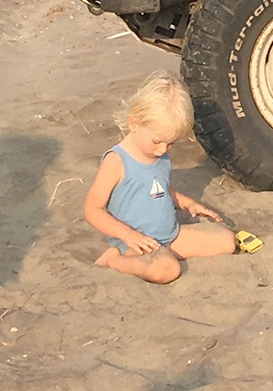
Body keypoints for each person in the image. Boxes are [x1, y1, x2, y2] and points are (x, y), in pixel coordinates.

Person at [82, 76, 256, 282]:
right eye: (157, 141)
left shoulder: (160, 154)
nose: (163, 149)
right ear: (134, 124)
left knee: (226, 241)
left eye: (170, 143)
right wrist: (128, 235)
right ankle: (113, 260)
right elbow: (92, 209)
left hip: (170, 235)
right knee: (167, 270)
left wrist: (187, 203)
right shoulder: (117, 161)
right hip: (135, 243)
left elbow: (158, 189)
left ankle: (164, 254)